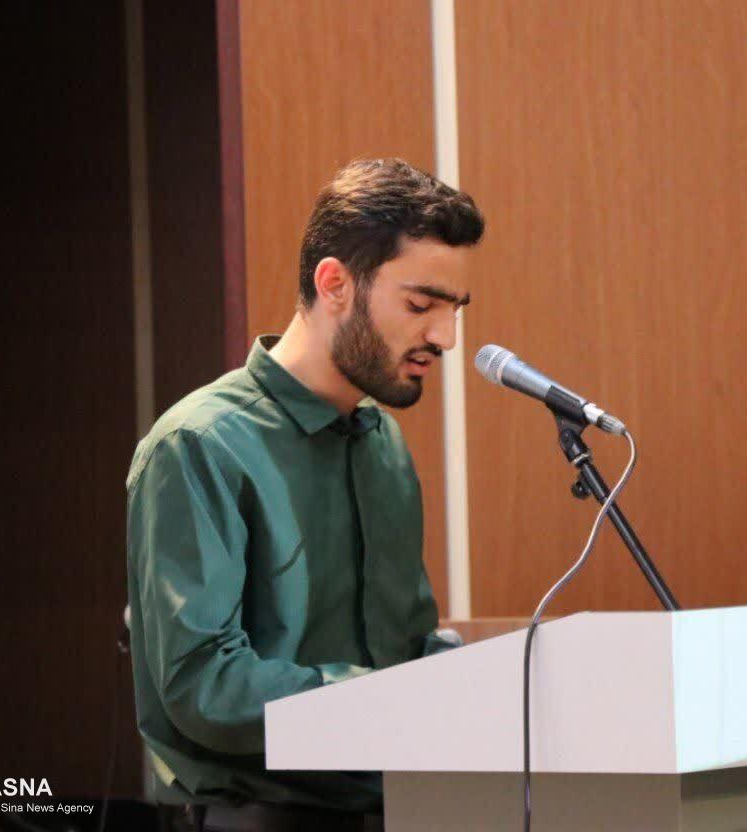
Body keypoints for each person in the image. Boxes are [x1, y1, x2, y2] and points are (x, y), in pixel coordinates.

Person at [125, 158, 484, 832]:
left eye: (455, 310)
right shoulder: (200, 444)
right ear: (334, 284)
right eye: (421, 305)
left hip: (401, 812)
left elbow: (403, 648)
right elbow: (204, 687)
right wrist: (388, 700)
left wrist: (492, 685)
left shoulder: (382, 443)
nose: (445, 338)